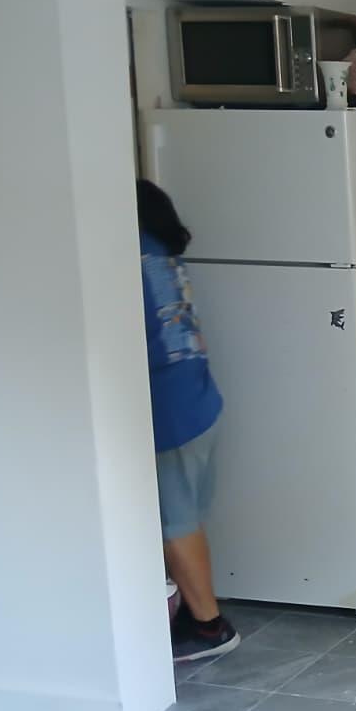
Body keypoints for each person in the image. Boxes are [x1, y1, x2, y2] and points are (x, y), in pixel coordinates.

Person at [137, 180, 239, 662]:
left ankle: (209, 627)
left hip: (169, 411)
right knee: (185, 520)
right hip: (199, 401)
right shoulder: (160, 254)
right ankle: (183, 614)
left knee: (174, 524)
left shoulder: (129, 254)